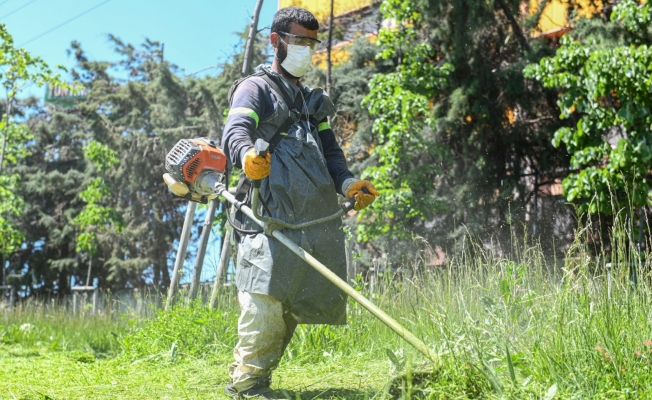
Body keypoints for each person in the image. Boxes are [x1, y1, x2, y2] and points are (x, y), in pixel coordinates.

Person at [221, 6, 379, 398]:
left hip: (312, 217)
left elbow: (331, 155)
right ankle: (247, 384)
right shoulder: (255, 88)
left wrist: (348, 185)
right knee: (264, 296)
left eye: (312, 43)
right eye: (299, 42)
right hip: (268, 212)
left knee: (292, 303)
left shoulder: (312, 101)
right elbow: (235, 130)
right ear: (276, 41)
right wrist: (246, 157)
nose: (307, 50)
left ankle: (258, 379)